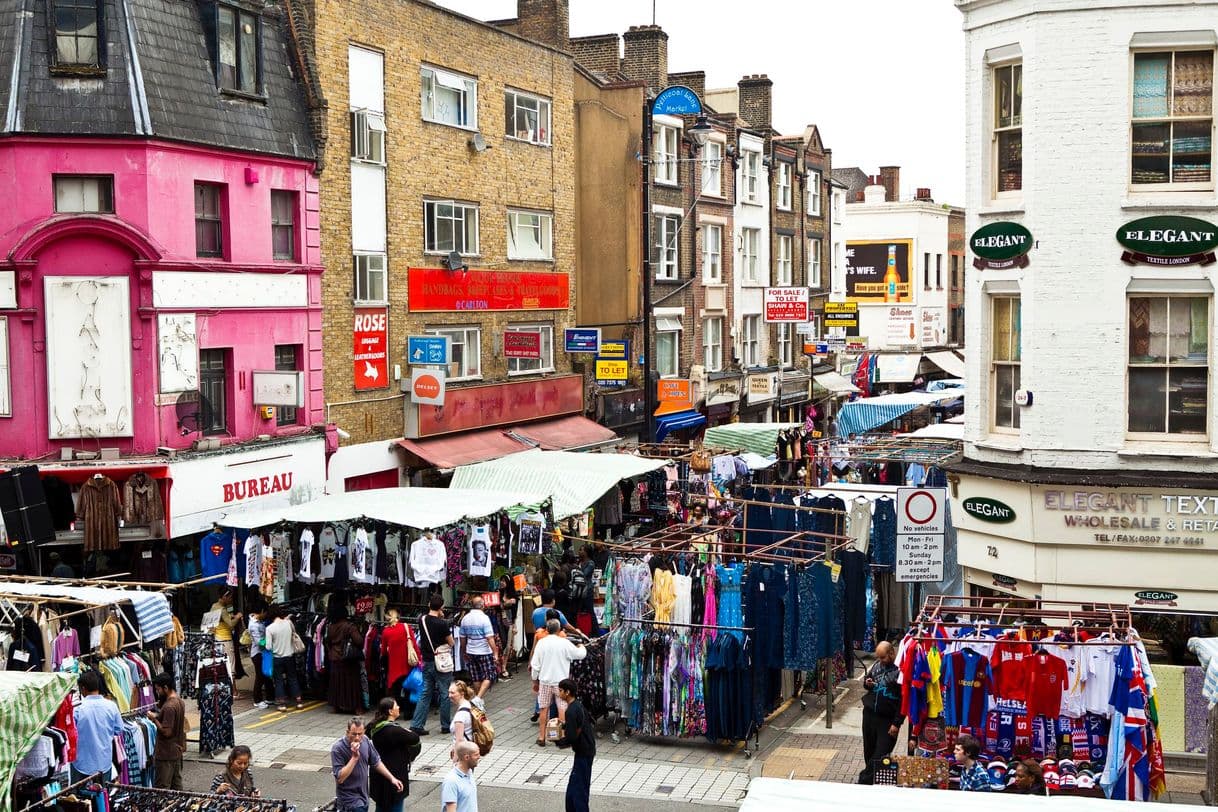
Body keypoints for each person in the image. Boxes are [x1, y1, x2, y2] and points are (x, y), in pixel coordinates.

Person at [530, 619, 586, 747]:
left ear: (547, 629)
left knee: (544, 709)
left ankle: (541, 737)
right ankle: (561, 736)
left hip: (545, 681)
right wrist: (581, 646)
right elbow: (580, 654)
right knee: (562, 708)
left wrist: (535, 680)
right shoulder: (564, 643)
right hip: (561, 683)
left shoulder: (541, 643)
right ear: (559, 630)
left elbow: (535, 665)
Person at [331, 717, 402, 812]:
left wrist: (392, 778)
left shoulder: (365, 741)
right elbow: (340, 778)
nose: (357, 737)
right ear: (347, 732)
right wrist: (354, 758)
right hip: (349, 802)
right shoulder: (338, 748)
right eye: (353, 734)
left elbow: (376, 762)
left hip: (364, 798)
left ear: (364, 731)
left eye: (360, 734)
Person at [857, 641, 904, 785]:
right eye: (878, 657)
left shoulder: (900, 671)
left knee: (880, 754)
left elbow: (904, 701)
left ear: (891, 653)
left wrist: (896, 723)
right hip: (870, 715)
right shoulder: (877, 665)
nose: (880, 661)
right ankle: (870, 783)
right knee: (869, 752)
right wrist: (867, 683)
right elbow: (867, 683)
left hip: (887, 720)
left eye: (883, 657)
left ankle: (863, 782)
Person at [411, 595, 454, 736]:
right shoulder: (442, 624)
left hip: (427, 661)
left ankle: (417, 724)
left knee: (425, 692)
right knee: (444, 693)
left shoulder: (421, 619)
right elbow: (451, 642)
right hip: (441, 662)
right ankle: (445, 725)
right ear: (441, 607)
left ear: (429, 605)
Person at [368, 697, 421, 812]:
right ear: (390, 711)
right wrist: (408, 731)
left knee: (380, 807)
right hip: (395, 776)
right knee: (396, 807)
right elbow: (415, 738)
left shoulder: (373, 726)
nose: (399, 707)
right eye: (396, 706)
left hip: (378, 774)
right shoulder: (395, 731)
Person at [71, 670, 123, 783]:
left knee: (80, 799)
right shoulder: (111, 706)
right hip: (104, 761)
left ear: (83, 688)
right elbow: (118, 729)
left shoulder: (77, 710)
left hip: (82, 763)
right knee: (103, 797)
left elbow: (72, 734)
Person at [555, 678, 594, 812]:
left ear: (567, 692)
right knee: (574, 789)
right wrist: (565, 725)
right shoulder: (578, 705)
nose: (559, 693)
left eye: (560, 690)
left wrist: (557, 741)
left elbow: (571, 737)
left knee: (579, 790)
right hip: (586, 750)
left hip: (583, 753)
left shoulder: (571, 711)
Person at [148, 672, 187, 790]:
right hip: (176, 751)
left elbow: (167, 732)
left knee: (162, 788)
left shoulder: (169, 706)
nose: (157, 692)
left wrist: (154, 719)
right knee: (177, 787)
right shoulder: (179, 701)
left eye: (158, 689)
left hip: (166, 754)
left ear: (165, 687)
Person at [327, 606, 365, 714]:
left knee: (337, 683)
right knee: (351, 684)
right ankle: (356, 707)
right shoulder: (350, 627)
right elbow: (359, 641)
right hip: (348, 659)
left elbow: (328, 641)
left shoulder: (331, 627)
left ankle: (336, 706)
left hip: (335, 657)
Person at [459, 597, 499, 699]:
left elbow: (462, 638)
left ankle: (478, 700)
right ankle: (478, 698)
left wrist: (464, 651)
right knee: (489, 675)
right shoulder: (484, 618)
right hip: (484, 651)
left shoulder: (465, 618)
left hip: (471, 651)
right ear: (482, 606)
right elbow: (489, 637)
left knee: (476, 677)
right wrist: (495, 653)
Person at [265, 605, 304, 711]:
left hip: (277, 658)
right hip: (290, 656)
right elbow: (294, 634)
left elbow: (268, 647)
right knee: (293, 678)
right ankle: (299, 701)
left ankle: (282, 704)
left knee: (279, 681)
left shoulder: (269, 628)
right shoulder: (289, 623)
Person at [211, 589, 243, 693]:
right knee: (231, 665)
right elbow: (230, 624)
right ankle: (234, 691)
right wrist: (237, 617)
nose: (230, 599)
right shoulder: (222, 610)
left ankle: (225, 690)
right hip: (226, 640)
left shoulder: (214, 606)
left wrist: (231, 616)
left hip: (217, 640)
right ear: (224, 597)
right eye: (229, 597)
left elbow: (220, 620)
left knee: (221, 665)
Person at [440, 741, 481, 812]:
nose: (479, 757)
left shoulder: (469, 772)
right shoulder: (451, 781)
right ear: (467, 757)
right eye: (476, 755)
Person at [247, 604, 271, 709]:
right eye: (265, 613)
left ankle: (270, 697)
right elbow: (259, 642)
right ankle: (257, 700)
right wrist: (270, 640)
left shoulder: (259, 622)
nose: (266, 615)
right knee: (260, 676)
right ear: (261, 611)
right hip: (257, 653)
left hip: (264, 652)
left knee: (266, 675)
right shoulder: (253, 625)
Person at [448, 680, 477, 752]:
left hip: (463, 753)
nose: (449, 695)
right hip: (470, 748)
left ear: (462, 693)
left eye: (452, 693)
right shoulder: (469, 705)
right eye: (449, 692)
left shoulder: (460, 715)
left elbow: (459, 740)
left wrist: (455, 758)